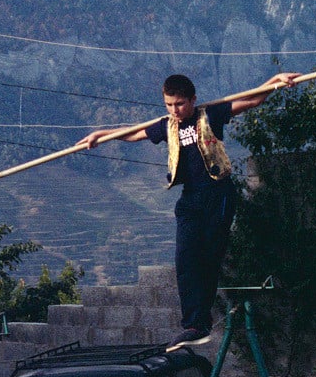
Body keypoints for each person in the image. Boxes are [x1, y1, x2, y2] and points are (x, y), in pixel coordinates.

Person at [84, 70, 298, 349]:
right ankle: (193, 325)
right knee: (185, 260)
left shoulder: (209, 114)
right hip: (190, 199)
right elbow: (135, 133)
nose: (175, 110)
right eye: (169, 105)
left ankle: (201, 322)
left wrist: (274, 82)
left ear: (192, 100)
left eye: (180, 104)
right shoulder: (167, 125)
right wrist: (103, 135)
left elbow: (251, 101)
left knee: (208, 258)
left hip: (217, 193)